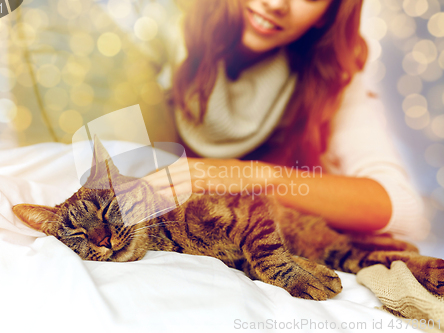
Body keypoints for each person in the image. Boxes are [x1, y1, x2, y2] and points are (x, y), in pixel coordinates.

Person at [145, 0, 429, 240]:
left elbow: (405, 209)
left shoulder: (330, 77)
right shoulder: (152, 26)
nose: (276, 4)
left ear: (326, 15)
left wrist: (258, 176)